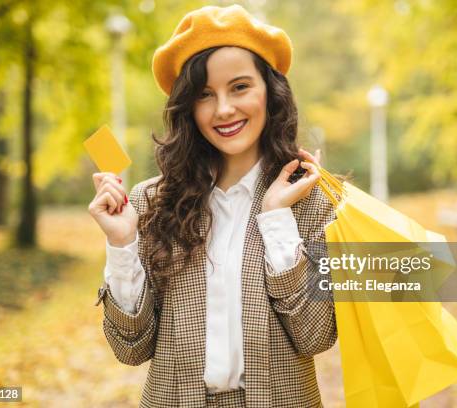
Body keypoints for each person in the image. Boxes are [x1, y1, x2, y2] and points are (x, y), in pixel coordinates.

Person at [88, 5, 337, 407]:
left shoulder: (315, 201)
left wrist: (276, 218)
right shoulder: (150, 203)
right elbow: (131, 349)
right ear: (188, 108)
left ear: (270, 93)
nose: (223, 109)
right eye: (205, 94)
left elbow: (316, 335)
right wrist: (122, 245)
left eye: (240, 87)